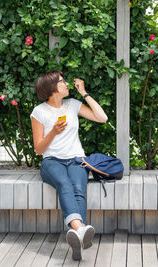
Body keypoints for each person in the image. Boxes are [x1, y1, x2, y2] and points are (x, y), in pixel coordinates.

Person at [30, 70, 108, 261]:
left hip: (76, 159)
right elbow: (39, 149)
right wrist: (53, 133)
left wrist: (84, 93)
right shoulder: (39, 112)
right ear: (52, 88)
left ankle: (78, 239)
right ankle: (80, 229)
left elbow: (102, 118)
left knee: (78, 188)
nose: (66, 84)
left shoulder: (72, 105)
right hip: (52, 161)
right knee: (65, 184)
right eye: (62, 81)